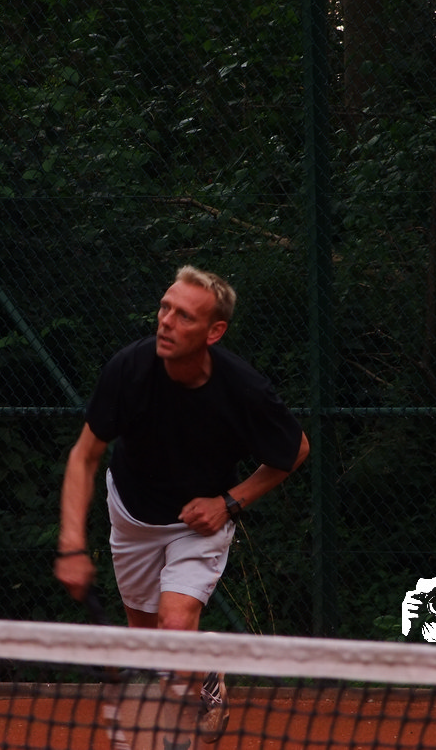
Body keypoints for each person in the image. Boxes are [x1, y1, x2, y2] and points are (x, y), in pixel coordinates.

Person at [54, 265, 310, 742]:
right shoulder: (129, 369)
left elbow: (296, 450)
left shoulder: (243, 389)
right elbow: (84, 456)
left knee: (174, 624)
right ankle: (205, 667)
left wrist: (228, 503)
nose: (166, 322)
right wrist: (71, 544)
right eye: (165, 308)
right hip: (131, 513)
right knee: (150, 639)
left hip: (200, 524)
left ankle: (175, 733)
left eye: (184, 316)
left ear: (214, 332)